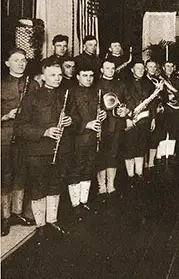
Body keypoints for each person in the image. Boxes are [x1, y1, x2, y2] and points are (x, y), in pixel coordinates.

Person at [16, 57, 78, 243]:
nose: (57, 78)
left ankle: (52, 221)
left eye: (59, 75)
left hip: (61, 150)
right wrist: (45, 131)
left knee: (55, 185)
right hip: (38, 151)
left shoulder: (65, 95)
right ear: (43, 76)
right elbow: (20, 126)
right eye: (52, 75)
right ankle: (40, 225)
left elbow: (77, 118)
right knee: (38, 188)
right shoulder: (31, 97)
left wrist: (71, 121)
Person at [1, 48, 38, 236]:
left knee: (22, 173)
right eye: (16, 60)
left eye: (23, 60)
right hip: (5, 136)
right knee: (6, 175)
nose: (21, 63)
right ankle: (4, 216)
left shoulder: (33, 85)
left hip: (26, 137)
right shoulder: (1, 84)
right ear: (7, 63)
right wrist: (6, 115)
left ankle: (17, 213)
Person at [66, 60, 106, 221]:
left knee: (89, 168)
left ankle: (84, 201)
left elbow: (99, 111)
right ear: (78, 77)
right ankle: (75, 204)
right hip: (78, 138)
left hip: (93, 138)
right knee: (77, 169)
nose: (88, 78)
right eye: (85, 76)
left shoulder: (97, 92)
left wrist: (103, 115)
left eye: (91, 76)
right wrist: (86, 124)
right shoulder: (72, 93)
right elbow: (69, 117)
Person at [95, 58, 128, 204]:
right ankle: (101, 186)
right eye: (107, 68)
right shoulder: (96, 84)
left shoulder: (120, 84)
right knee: (101, 156)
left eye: (112, 68)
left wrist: (125, 110)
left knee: (113, 155)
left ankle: (111, 185)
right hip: (101, 126)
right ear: (102, 70)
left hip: (116, 125)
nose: (110, 70)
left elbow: (126, 101)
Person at [122, 59, 156, 188]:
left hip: (144, 120)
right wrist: (127, 118)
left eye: (142, 68)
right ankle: (130, 176)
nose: (141, 71)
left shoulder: (149, 84)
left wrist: (153, 118)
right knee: (130, 147)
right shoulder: (125, 84)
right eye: (138, 68)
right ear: (132, 70)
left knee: (142, 147)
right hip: (130, 119)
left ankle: (139, 174)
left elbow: (152, 103)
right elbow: (122, 101)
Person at [160, 60, 179, 160]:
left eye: (171, 66)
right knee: (162, 132)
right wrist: (166, 98)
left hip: (175, 110)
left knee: (174, 131)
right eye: (167, 66)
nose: (169, 68)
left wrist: (174, 95)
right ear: (163, 68)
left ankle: (170, 153)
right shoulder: (160, 79)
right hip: (164, 109)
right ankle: (161, 154)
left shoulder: (178, 80)